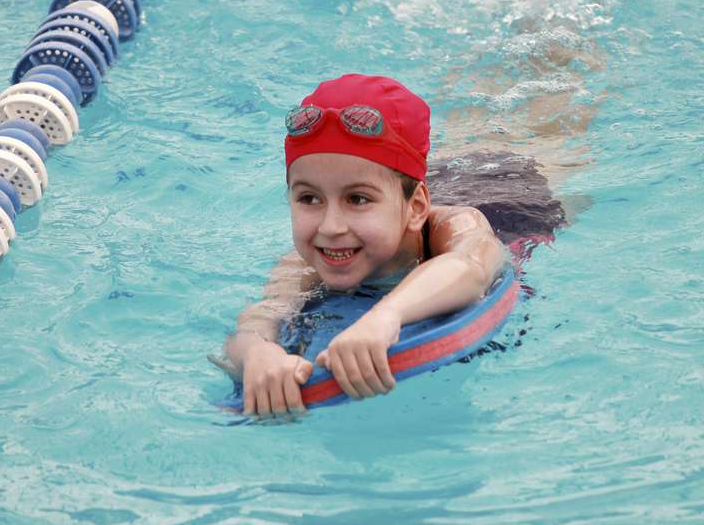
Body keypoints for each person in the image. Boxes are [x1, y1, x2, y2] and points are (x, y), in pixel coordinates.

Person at [215, 73, 511, 417]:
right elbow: (257, 321)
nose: (331, 226)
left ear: (415, 209)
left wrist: (385, 316)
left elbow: (471, 268)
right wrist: (257, 354)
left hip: (510, 193)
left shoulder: (454, 225)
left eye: (357, 199)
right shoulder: (300, 267)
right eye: (309, 198)